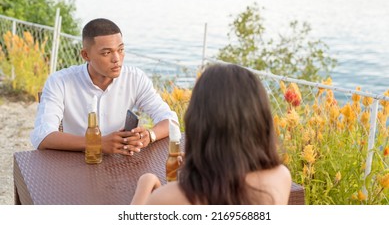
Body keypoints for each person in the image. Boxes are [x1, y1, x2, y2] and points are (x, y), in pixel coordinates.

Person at [131, 63, 292, 205]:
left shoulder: (170, 198)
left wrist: (147, 182)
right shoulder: (280, 177)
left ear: (198, 122)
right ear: (260, 120)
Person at [31, 18, 178, 155]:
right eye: (107, 53)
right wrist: (96, 143)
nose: (117, 59)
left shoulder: (135, 78)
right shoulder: (60, 81)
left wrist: (149, 135)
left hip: (121, 164)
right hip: (75, 162)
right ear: (85, 55)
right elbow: (42, 136)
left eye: (120, 50)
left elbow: (170, 120)